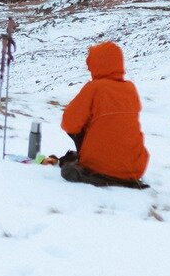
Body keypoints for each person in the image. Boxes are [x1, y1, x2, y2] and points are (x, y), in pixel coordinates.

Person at [58, 40, 149, 189]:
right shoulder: (130, 88)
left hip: (99, 166)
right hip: (135, 168)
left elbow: (69, 123)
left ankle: (95, 163)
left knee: (69, 166)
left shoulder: (95, 88)